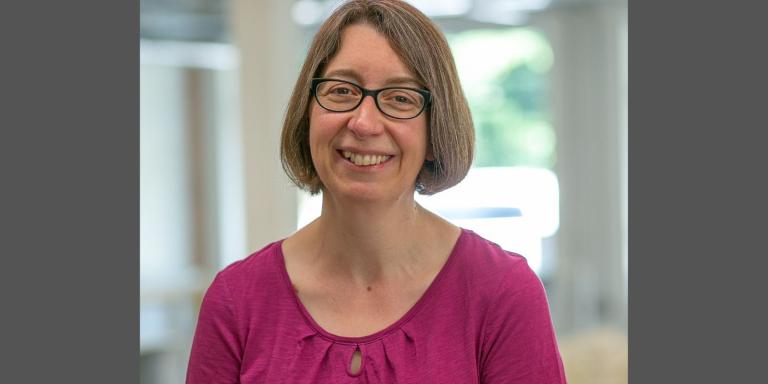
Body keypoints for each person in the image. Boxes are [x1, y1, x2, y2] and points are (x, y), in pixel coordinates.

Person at [186, 0, 566, 383]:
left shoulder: (502, 293)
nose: (364, 123)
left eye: (400, 98)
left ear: (435, 133)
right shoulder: (237, 301)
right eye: (341, 91)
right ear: (308, 115)